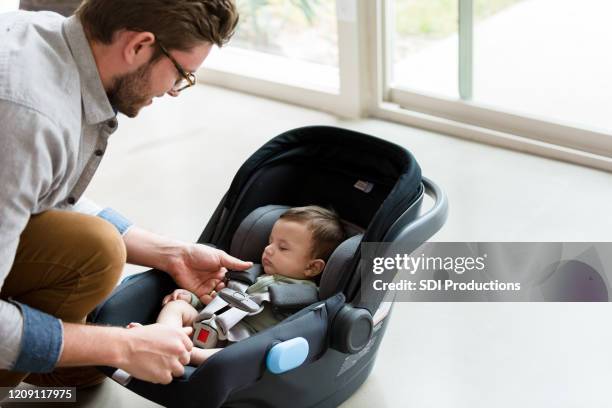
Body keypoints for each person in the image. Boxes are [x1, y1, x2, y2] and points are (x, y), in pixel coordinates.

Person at [0, 0, 249, 388]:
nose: (174, 91)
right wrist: (121, 347)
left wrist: (172, 253)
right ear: (138, 46)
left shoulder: (42, 36)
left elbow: (39, 191)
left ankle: (53, 354)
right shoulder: (28, 121)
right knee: (95, 254)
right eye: (181, 74)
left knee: (97, 246)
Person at [140, 206, 346, 366]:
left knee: (240, 355)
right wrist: (190, 299)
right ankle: (163, 336)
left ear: (312, 268)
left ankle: (189, 354)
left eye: (283, 248)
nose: (268, 250)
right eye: (270, 241)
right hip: (210, 321)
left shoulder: (303, 298)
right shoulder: (250, 275)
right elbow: (214, 301)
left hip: (242, 343)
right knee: (176, 307)